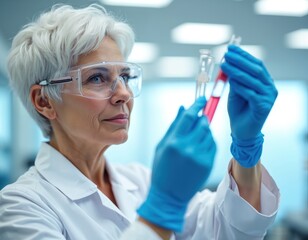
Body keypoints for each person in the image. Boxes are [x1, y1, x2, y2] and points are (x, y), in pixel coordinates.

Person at [0, 4, 279, 240]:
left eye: (125, 76)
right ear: (44, 101)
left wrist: (246, 149)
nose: (124, 93)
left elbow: (230, 229)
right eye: (97, 78)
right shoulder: (21, 206)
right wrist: (160, 211)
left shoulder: (140, 180)